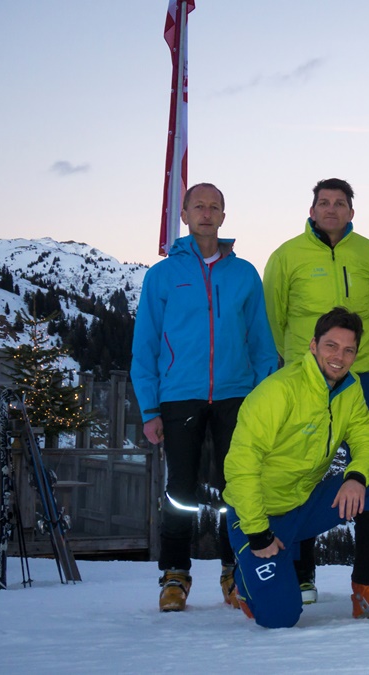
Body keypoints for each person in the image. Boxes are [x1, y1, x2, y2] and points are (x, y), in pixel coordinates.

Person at [224, 308, 369, 628]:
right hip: (258, 515)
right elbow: (240, 466)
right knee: (280, 617)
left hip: (304, 505)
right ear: (313, 345)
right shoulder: (278, 392)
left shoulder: (349, 388)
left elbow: (368, 441)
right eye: (331, 346)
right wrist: (258, 533)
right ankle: (245, 579)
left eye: (348, 350)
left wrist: (356, 477)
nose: (339, 357)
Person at [130, 182, 277, 612]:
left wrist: (262, 399)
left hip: (238, 396)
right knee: (180, 490)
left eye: (215, 207)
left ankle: (236, 572)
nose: (207, 213)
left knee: (239, 486)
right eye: (199, 206)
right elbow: (145, 346)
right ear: (185, 215)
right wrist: (149, 408)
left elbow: (261, 343)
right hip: (180, 396)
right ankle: (175, 575)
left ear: (224, 216)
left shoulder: (244, 273)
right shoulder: (162, 275)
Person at [262, 177, 369, 603]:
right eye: (324, 202)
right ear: (312, 209)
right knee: (300, 468)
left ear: (351, 211)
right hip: (305, 379)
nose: (331, 209)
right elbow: (274, 316)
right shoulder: (287, 255)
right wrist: (300, 364)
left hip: (361, 374)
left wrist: (356, 356)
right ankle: (301, 573)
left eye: (339, 203)